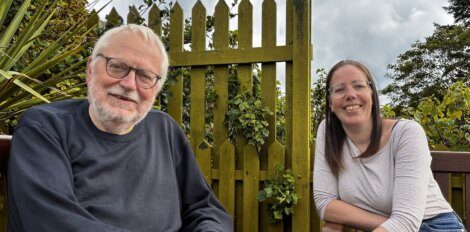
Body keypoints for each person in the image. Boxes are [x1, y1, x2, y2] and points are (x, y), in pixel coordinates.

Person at [8, 24, 232, 232]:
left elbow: (205, 208)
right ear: (90, 69)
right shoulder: (45, 128)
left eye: (145, 76)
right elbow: (52, 223)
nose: (128, 84)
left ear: (156, 88)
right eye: (117, 67)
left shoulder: (165, 130)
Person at [313, 60, 465, 232]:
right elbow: (325, 203)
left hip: (434, 226)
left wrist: (395, 222)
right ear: (331, 102)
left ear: (372, 94)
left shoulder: (407, 133)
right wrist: (389, 222)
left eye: (358, 86)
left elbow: (406, 222)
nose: (350, 94)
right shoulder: (328, 132)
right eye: (339, 89)